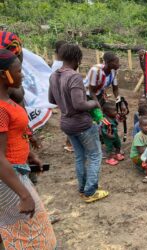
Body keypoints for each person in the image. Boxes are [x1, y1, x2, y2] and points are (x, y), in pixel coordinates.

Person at [0, 49, 57, 249]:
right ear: (3, 74)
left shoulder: (7, 101)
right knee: (33, 238)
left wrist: (29, 154)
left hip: (16, 173)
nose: (22, 74)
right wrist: (24, 195)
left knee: (20, 230)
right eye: (17, 70)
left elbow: (14, 136)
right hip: (8, 181)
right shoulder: (0, 109)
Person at [48, 44, 109, 203]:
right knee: (95, 155)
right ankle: (90, 191)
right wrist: (94, 104)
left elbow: (51, 100)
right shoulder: (74, 76)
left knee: (80, 157)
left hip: (66, 123)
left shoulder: (54, 75)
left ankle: (82, 188)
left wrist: (64, 102)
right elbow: (79, 105)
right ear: (77, 59)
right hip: (81, 124)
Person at [101, 102, 124, 166]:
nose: (116, 112)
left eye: (116, 110)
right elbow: (103, 129)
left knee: (118, 144)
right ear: (107, 112)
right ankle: (109, 158)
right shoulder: (104, 120)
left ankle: (117, 154)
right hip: (108, 137)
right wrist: (108, 134)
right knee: (109, 147)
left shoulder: (114, 117)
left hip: (115, 134)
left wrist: (122, 116)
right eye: (113, 111)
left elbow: (120, 119)